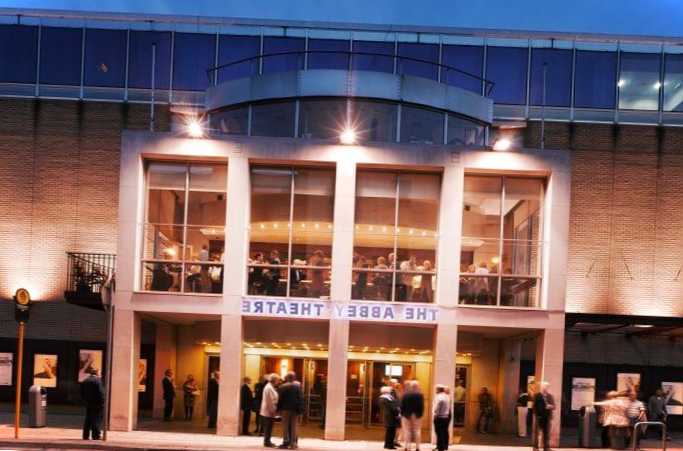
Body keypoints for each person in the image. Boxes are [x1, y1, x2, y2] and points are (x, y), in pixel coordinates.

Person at [277, 371, 304, 449]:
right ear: (294, 378)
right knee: (294, 426)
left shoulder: (282, 387)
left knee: (285, 426)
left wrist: (278, 409)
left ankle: (286, 442)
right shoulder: (297, 387)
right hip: (295, 409)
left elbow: (279, 399)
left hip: (285, 409)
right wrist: (301, 409)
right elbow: (301, 398)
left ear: (287, 378)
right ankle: (293, 443)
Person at [80, 367, 104, 440]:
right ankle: (96, 435)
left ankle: (85, 435)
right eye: (100, 373)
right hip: (97, 403)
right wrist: (103, 401)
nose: (101, 375)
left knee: (88, 419)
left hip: (88, 403)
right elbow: (100, 393)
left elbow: (81, 392)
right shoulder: (97, 381)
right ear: (97, 373)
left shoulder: (85, 380)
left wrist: (85, 400)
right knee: (96, 419)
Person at [400, 380, 424, 451]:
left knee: (407, 431)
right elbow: (421, 406)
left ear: (411, 386)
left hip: (406, 415)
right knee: (417, 430)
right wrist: (420, 414)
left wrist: (402, 414)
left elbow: (402, 406)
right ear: (417, 386)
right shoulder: (420, 395)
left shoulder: (405, 395)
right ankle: (417, 447)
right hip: (417, 415)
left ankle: (407, 447)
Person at [532, 382, 555, 451]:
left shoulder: (550, 396)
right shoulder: (537, 396)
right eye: (545, 387)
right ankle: (535, 447)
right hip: (539, 417)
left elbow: (554, 406)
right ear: (541, 387)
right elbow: (534, 407)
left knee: (546, 433)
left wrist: (551, 406)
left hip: (547, 417)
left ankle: (546, 447)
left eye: (547, 387)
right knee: (537, 433)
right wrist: (537, 415)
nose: (546, 388)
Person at [260, 373, 280, 448]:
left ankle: (268, 441)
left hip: (269, 411)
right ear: (274, 380)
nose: (278, 382)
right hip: (268, 411)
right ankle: (267, 442)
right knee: (268, 428)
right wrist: (273, 411)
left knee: (269, 428)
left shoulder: (270, 387)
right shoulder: (269, 388)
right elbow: (270, 401)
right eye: (278, 380)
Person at [379, 385, 400, 450]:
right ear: (387, 391)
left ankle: (387, 444)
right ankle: (390, 445)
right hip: (391, 416)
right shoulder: (388, 398)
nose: (391, 391)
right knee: (391, 432)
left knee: (389, 431)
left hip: (387, 416)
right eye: (390, 390)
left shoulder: (382, 398)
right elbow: (393, 408)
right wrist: (397, 413)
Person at [433, 385, 451, 451]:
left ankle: (441, 448)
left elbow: (437, 407)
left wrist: (435, 414)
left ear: (438, 389)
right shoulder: (447, 396)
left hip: (440, 417)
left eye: (436, 389)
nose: (435, 390)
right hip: (446, 417)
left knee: (439, 433)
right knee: (444, 432)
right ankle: (444, 446)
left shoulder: (439, 397)